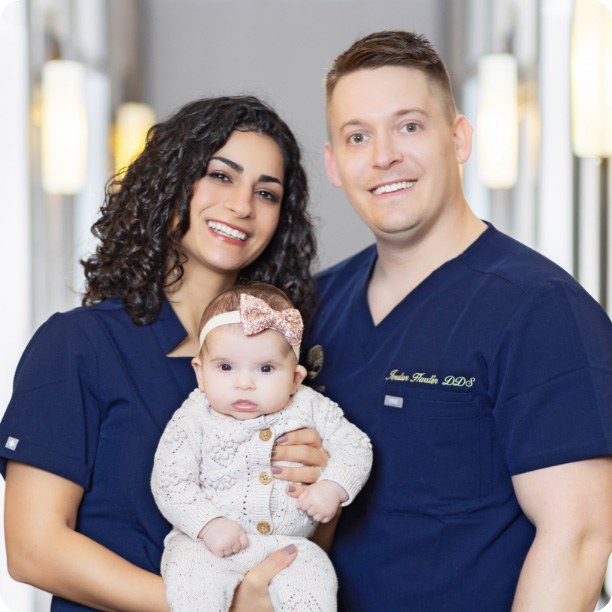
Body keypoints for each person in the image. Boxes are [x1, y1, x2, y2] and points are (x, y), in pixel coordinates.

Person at [303, 30, 612, 611]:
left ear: (459, 137)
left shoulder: (539, 310)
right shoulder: (313, 308)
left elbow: (578, 537)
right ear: (335, 164)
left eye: (410, 126)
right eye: (357, 136)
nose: (383, 155)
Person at [0, 95, 329, 612]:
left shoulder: (280, 362)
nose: (242, 205)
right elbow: (33, 550)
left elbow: (304, 541)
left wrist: (316, 482)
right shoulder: (78, 346)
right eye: (221, 176)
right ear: (172, 181)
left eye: (266, 193)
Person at [151, 282, 372, 611]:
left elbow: (355, 445)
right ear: (200, 372)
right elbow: (169, 481)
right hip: (206, 544)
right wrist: (207, 523)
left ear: (295, 379)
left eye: (266, 369)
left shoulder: (311, 406)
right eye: (225, 367)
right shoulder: (193, 417)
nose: (244, 383)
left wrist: (333, 486)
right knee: (192, 583)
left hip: (290, 546)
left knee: (315, 586)